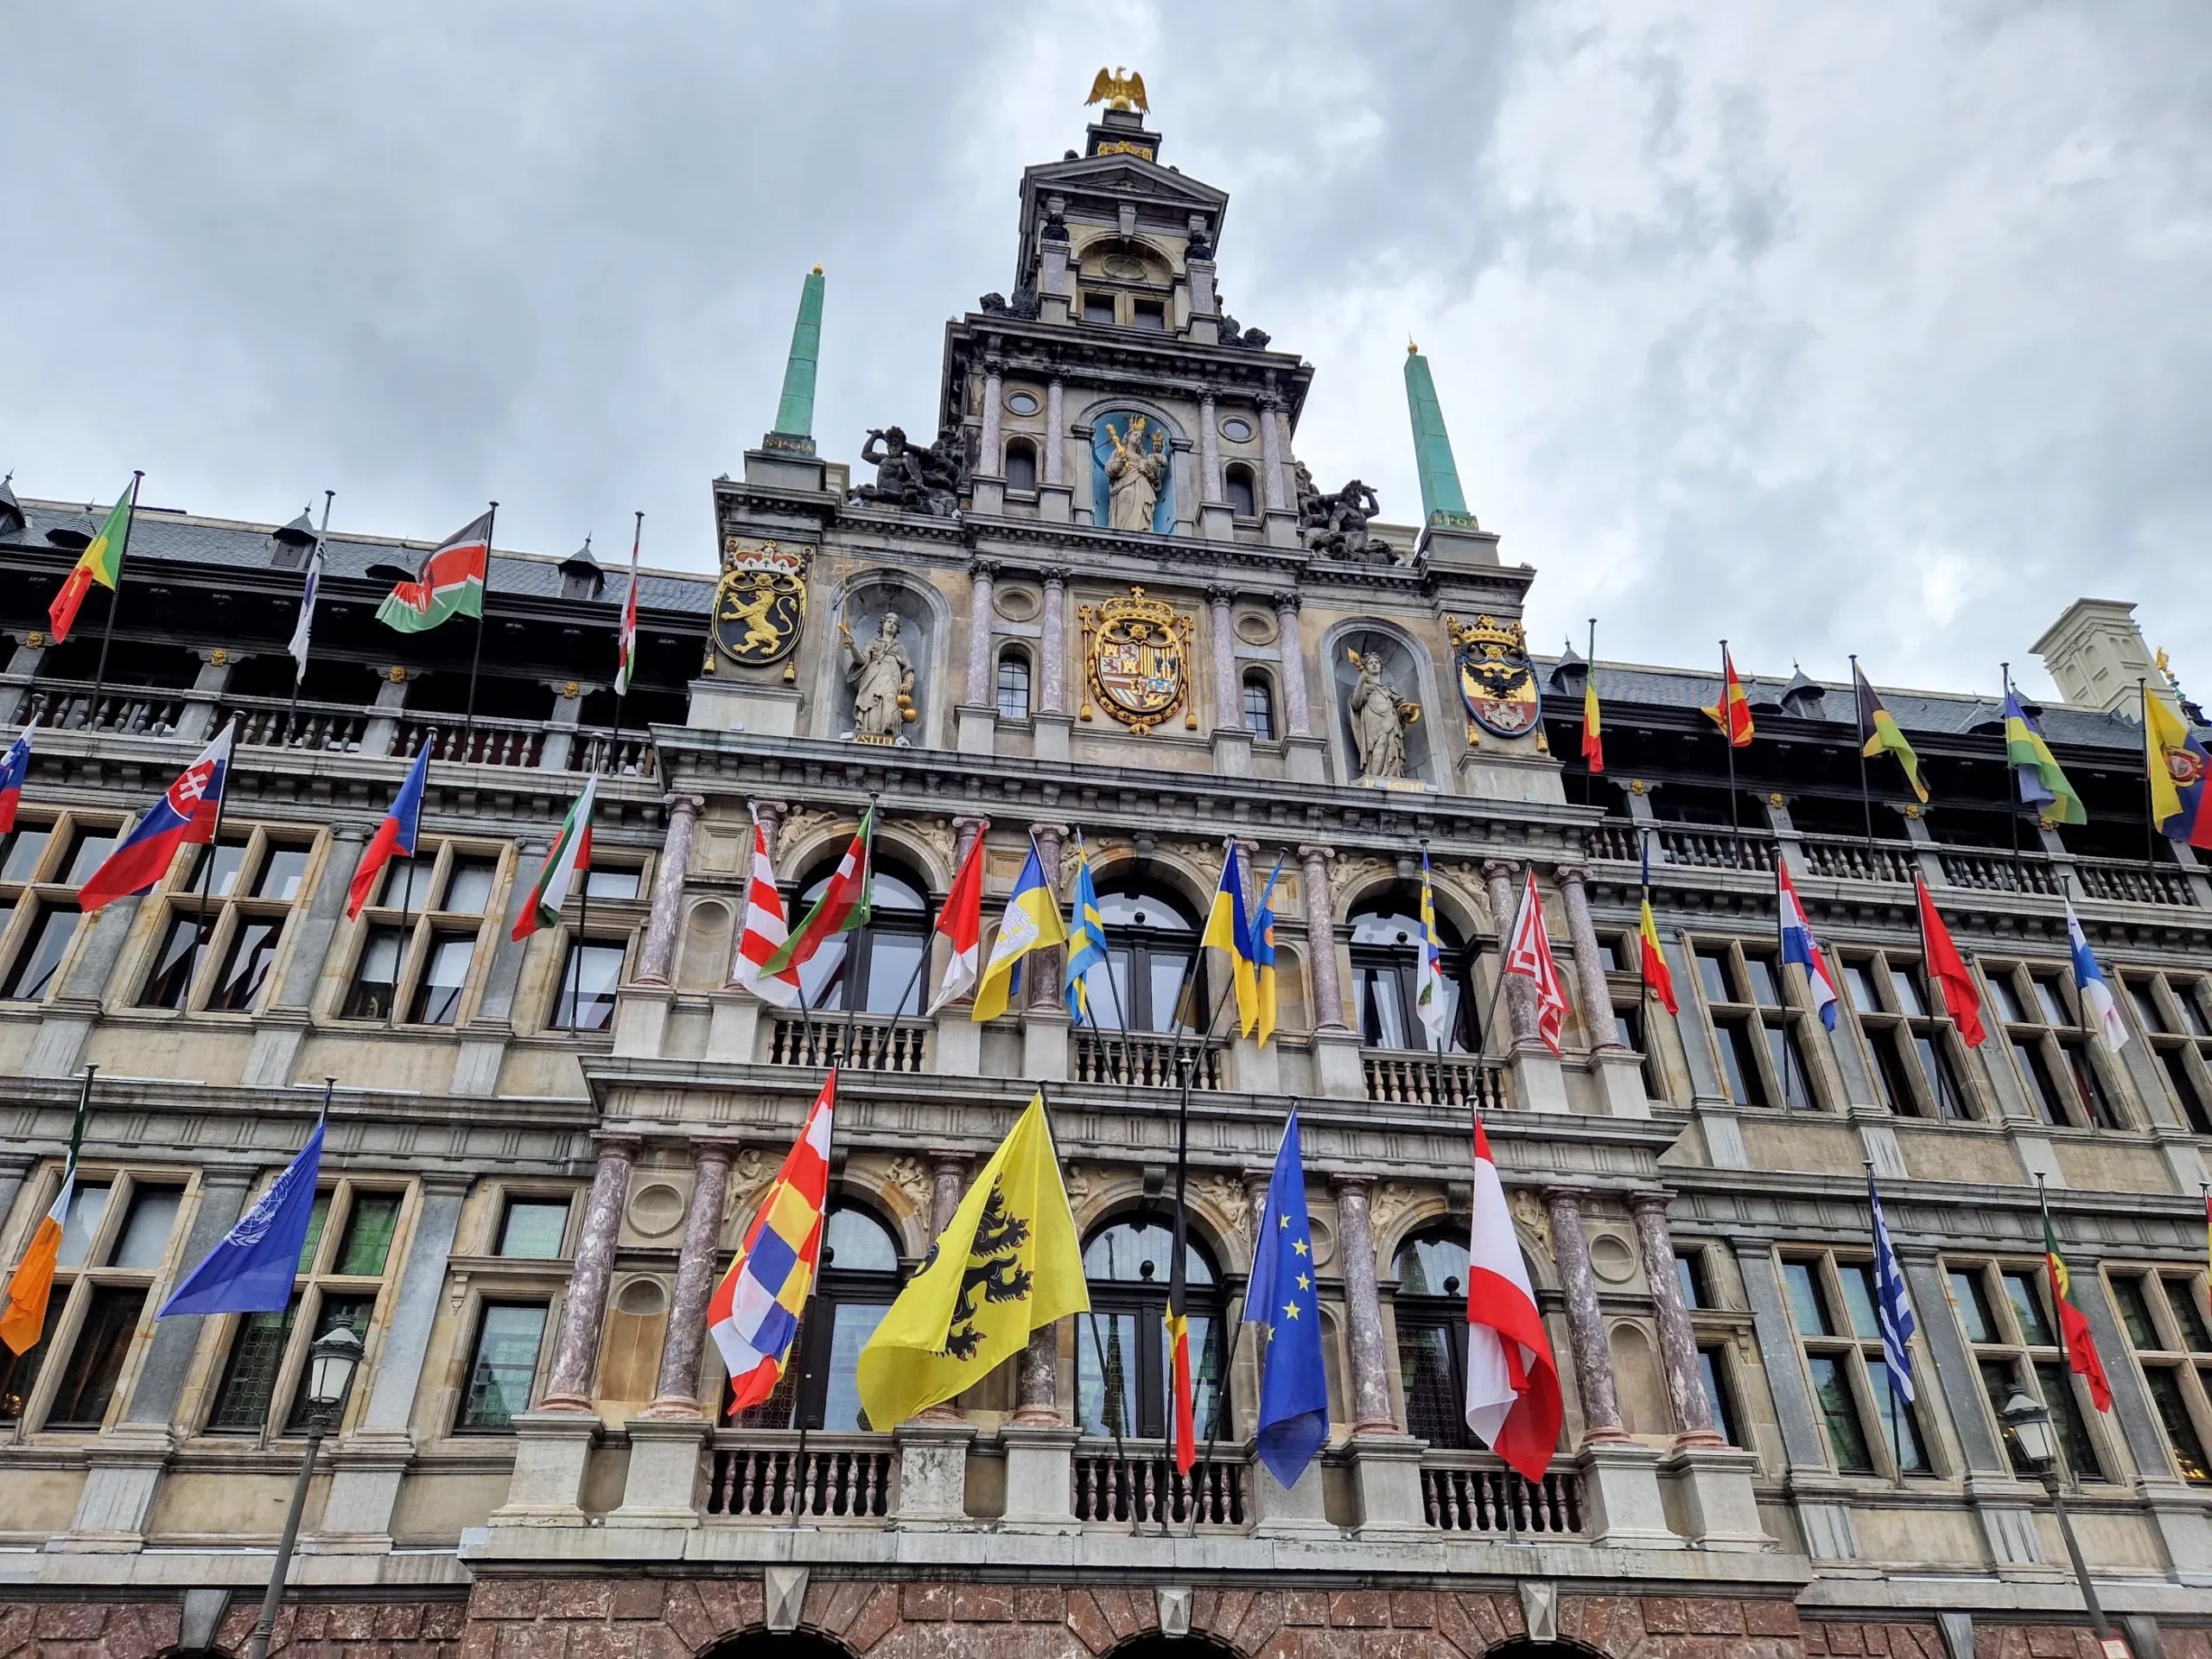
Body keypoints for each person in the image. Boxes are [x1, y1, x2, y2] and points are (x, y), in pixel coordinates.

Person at [843, 613, 914, 742]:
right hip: (873, 678)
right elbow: (862, 660)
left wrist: (908, 683)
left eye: (895, 623)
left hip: (892, 679)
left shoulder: (900, 648)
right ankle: (869, 733)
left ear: (897, 628)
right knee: (871, 705)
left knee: (890, 701)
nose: (892, 625)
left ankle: (889, 734)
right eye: (889, 622)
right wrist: (852, 647)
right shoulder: (873, 643)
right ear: (883, 625)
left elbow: (908, 669)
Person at [1350, 651, 1412, 779]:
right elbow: (1355, 704)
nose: (1374, 665)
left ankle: (1392, 775)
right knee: (1379, 743)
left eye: (1377, 662)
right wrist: (1361, 682)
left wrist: (1406, 712)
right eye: (1371, 663)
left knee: (1392, 745)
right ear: (1365, 668)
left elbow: (1400, 707)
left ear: (1381, 667)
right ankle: (1375, 774)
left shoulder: (1389, 688)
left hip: (1390, 718)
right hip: (1373, 720)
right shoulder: (1366, 687)